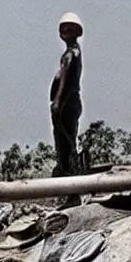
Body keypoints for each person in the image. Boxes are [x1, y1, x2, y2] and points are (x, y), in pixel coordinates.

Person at [49, 12, 84, 185]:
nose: (67, 31)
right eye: (64, 29)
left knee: (66, 145)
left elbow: (65, 80)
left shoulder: (71, 55)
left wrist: (57, 102)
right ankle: (68, 180)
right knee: (65, 142)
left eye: (71, 28)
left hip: (67, 104)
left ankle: (70, 182)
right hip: (70, 104)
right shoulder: (71, 53)